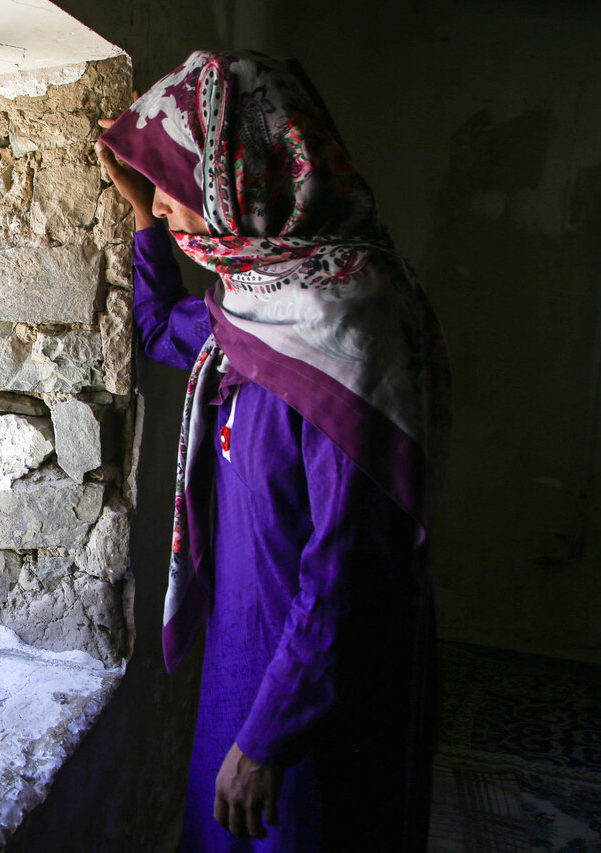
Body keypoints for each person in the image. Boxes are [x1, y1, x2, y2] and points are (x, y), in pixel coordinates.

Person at [96, 51, 450, 852]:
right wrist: (146, 220)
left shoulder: (352, 334)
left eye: (175, 183)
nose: (160, 198)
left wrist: (267, 739)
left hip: (322, 687)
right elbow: (159, 331)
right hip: (249, 652)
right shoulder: (253, 305)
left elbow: (350, 568)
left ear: (242, 177)